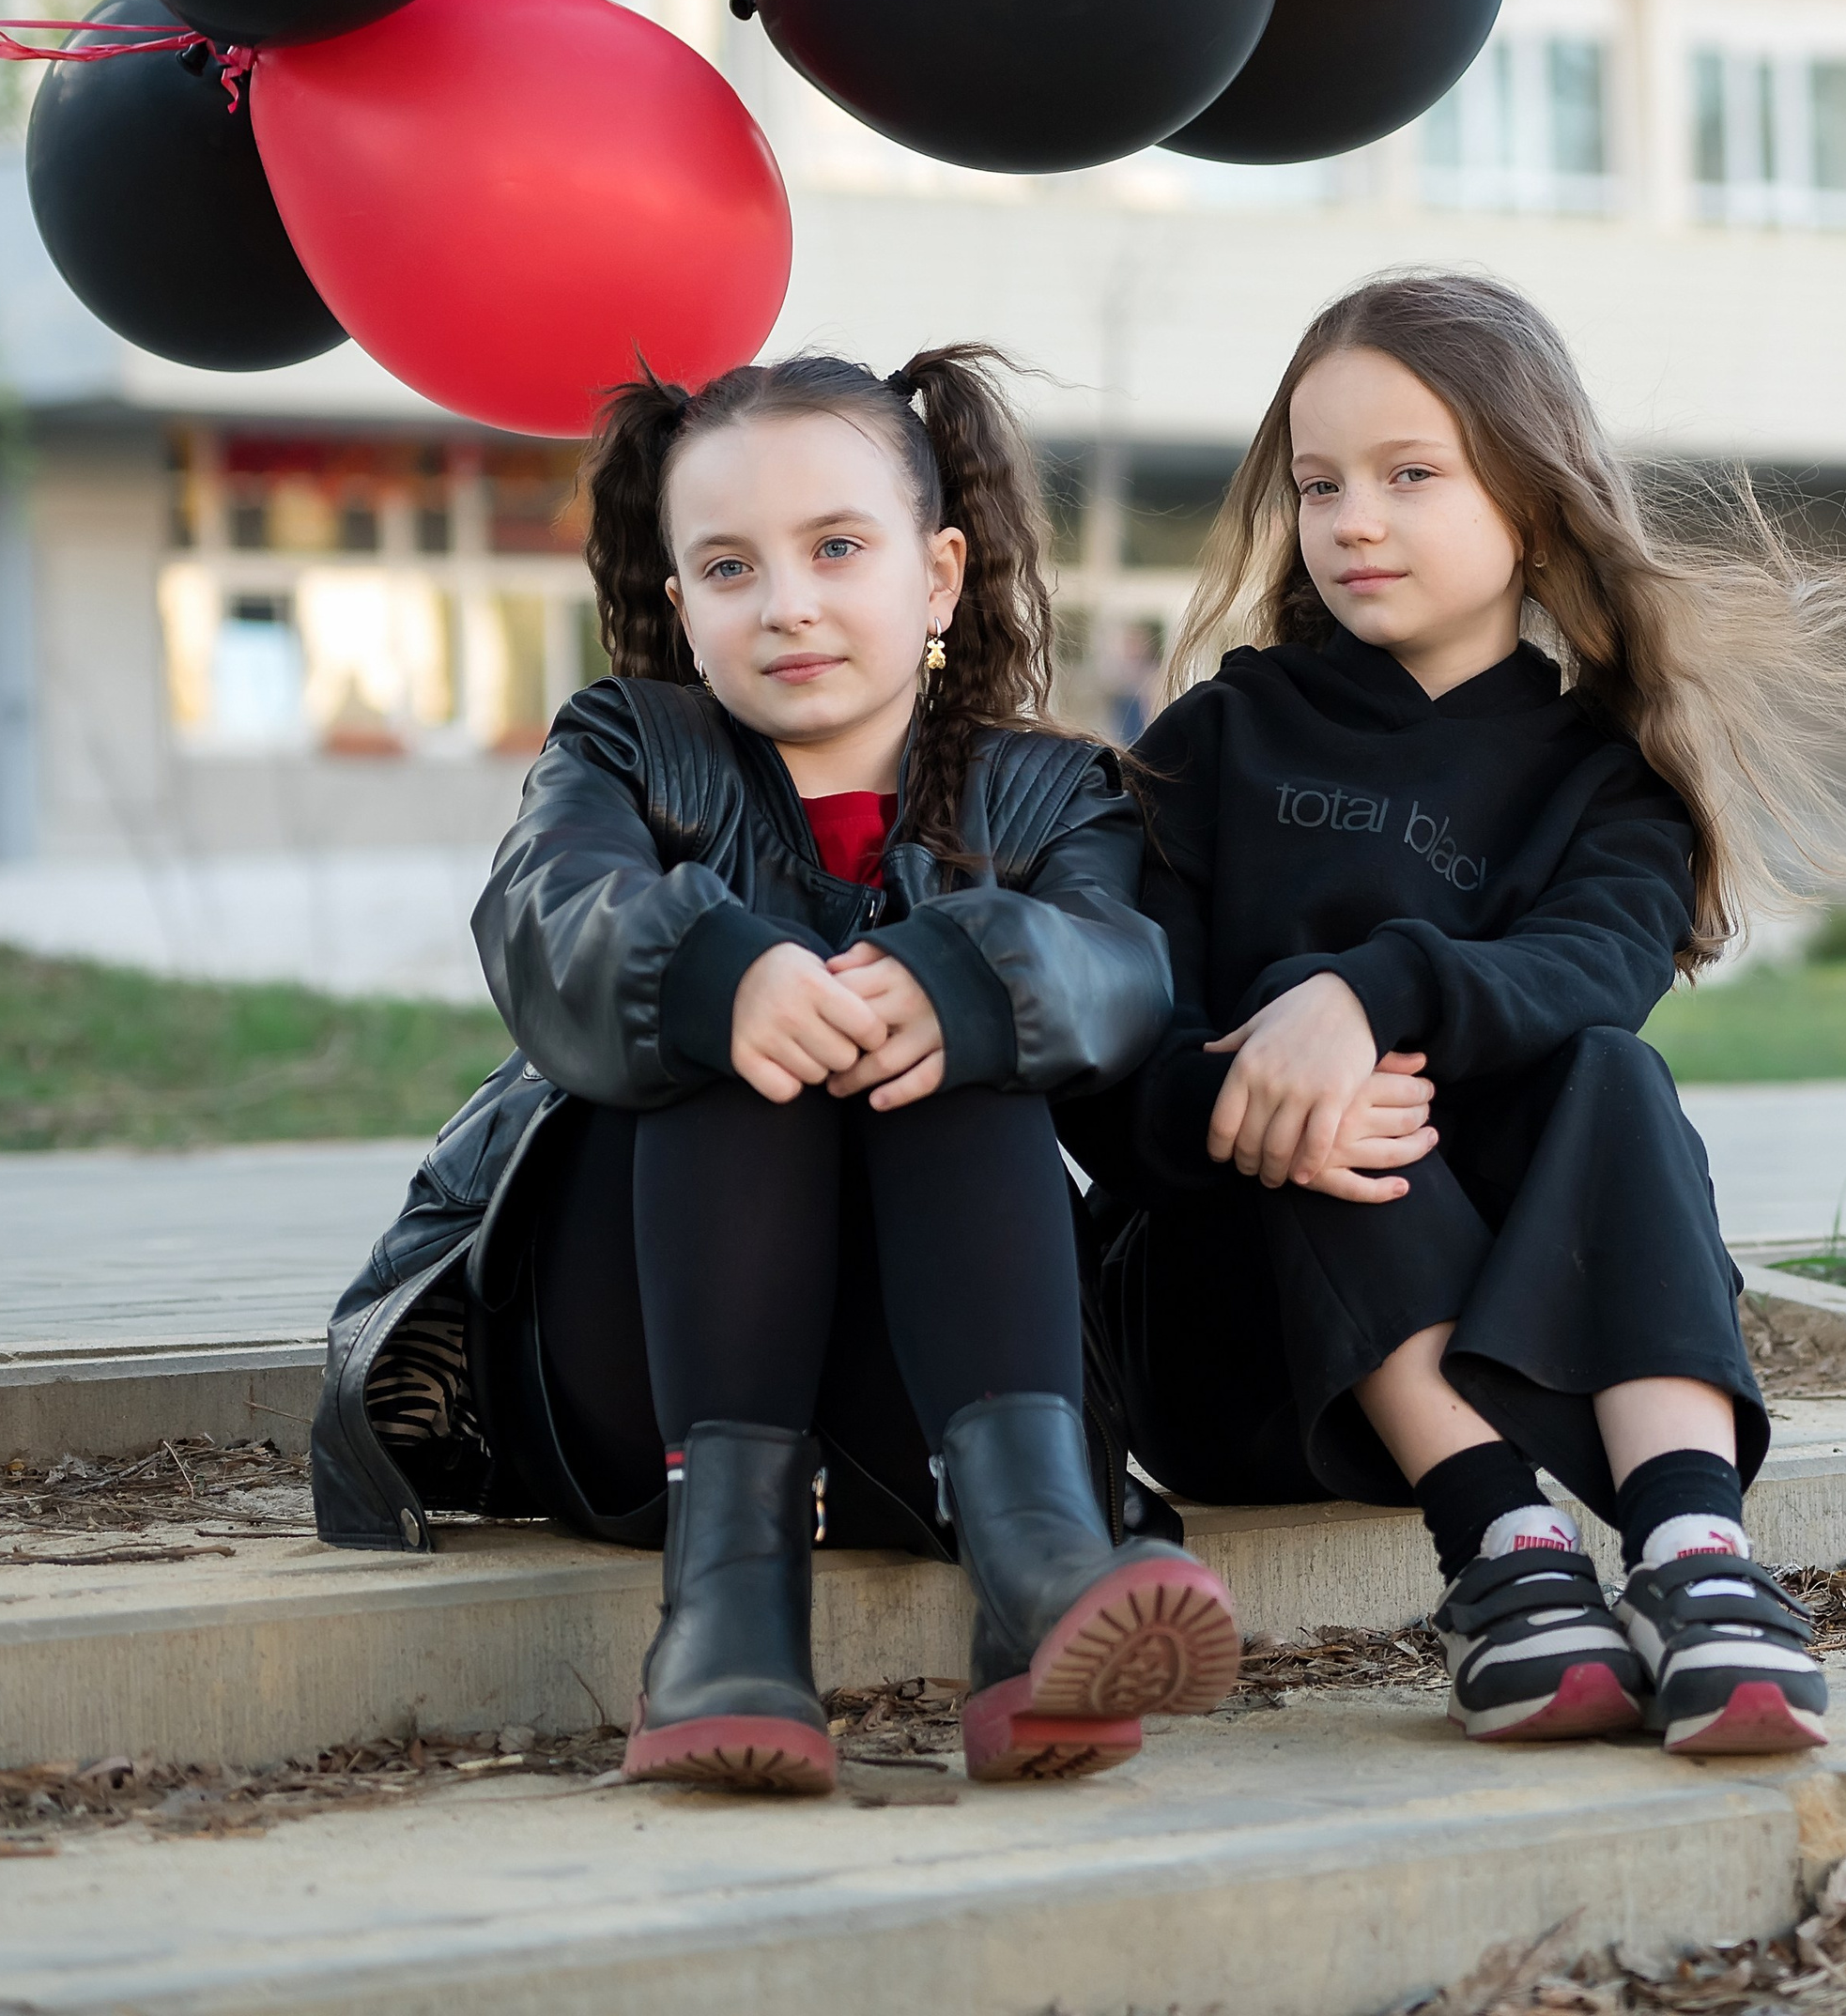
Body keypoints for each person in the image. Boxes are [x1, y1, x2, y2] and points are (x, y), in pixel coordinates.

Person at [311, 349, 1238, 1796]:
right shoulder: (623, 748)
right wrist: (718, 977)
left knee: (960, 1005)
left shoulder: (1050, 792)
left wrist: (966, 983)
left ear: (938, 576)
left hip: (926, 1390)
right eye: (732, 568)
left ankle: (1043, 1571)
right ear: (683, 607)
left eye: (838, 549)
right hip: (638, 1374)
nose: (789, 602)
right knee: (740, 1004)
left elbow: (1121, 973)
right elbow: (546, 914)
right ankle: (726, 1621)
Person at [1067, 271, 1846, 1758]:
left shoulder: (1606, 785)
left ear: (1531, 496)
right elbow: (1105, 1054)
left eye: (1409, 474)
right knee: (1318, 1086)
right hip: (1238, 1358)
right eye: (1320, 484)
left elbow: (1592, 970)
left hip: (1518, 1345)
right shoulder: (1213, 746)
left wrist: (1363, 991)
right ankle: (1505, 1554)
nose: (1352, 519)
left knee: (1610, 1075)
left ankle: (1695, 1554)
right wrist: (1254, 1095)